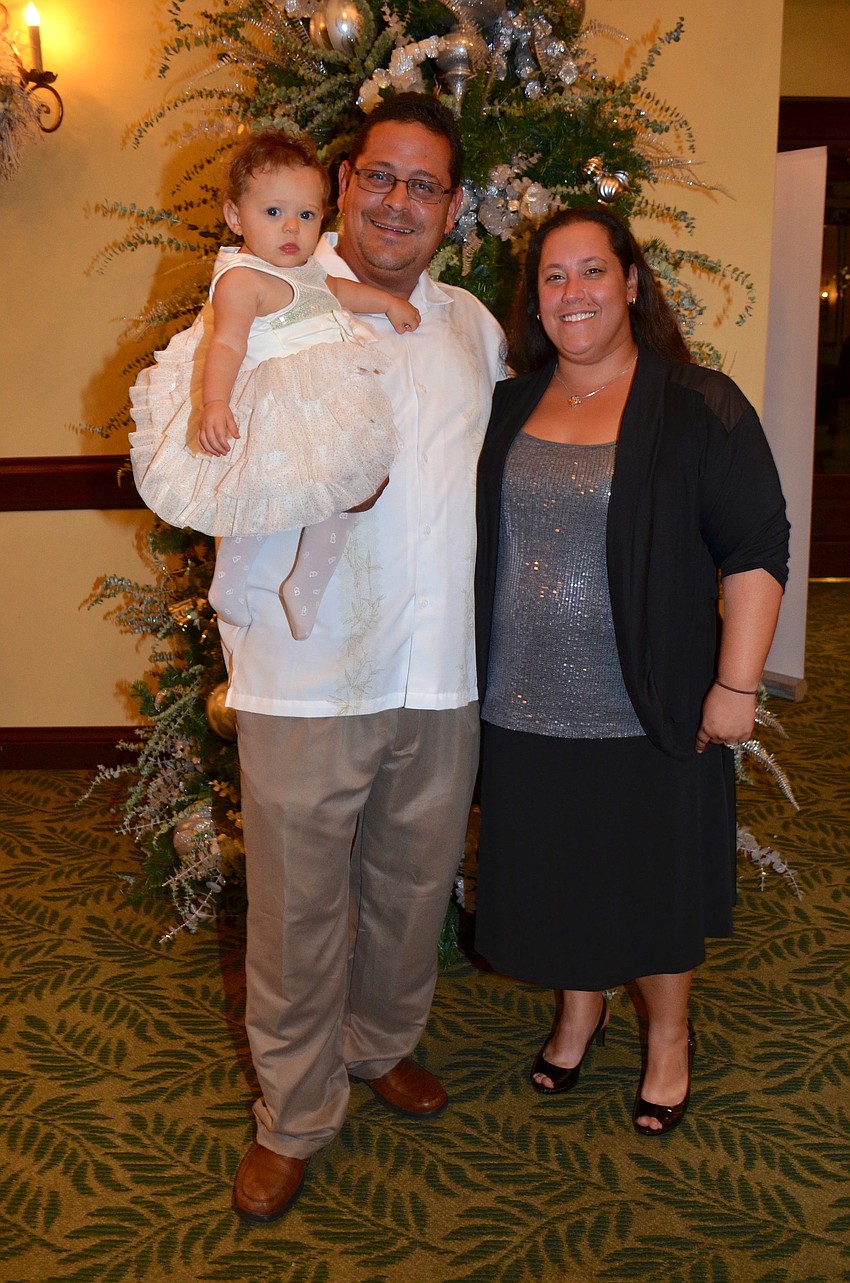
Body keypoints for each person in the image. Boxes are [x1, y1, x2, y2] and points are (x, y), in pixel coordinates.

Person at [218, 94, 506, 1223]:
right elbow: (202, 449)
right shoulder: (266, 293)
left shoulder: (472, 327)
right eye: (380, 177)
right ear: (343, 183)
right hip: (305, 666)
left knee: (410, 886)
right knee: (296, 911)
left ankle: (381, 1043)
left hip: (438, 672)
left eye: (423, 185)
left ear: (451, 209)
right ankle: (291, 1115)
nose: (398, 201)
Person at [474, 207, 789, 1137]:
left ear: (633, 282)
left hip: (650, 699)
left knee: (652, 880)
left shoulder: (699, 402)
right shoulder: (508, 404)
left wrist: (735, 688)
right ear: (535, 300)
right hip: (521, 697)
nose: (573, 294)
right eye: (553, 278)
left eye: (592, 272)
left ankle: (669, 1036)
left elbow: (755, 547)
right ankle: (580, 1010)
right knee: (562, 871)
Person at [129, 131, 420, 641]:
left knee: (355, 484)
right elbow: (225, 346)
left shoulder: (306, 270)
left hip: (322, 403)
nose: (292, 227)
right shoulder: (242, 279)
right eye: (272, 213)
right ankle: (229, 580)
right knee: (258, 490)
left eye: (306, 216)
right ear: (236, 218)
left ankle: (305, 584)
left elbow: (338, 291)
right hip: (275, 403)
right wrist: (215, 403)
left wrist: (389, 303)